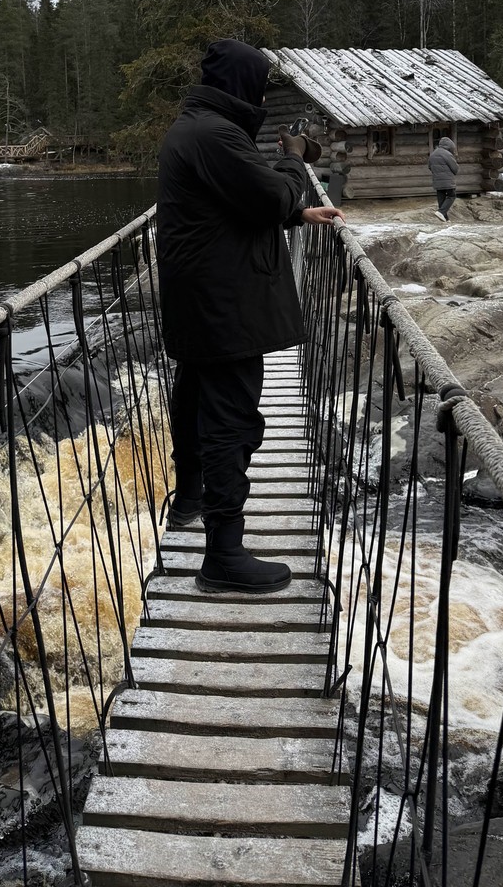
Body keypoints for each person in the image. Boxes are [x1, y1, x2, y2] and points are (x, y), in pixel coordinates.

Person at [157, 39, 344, 594]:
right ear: (242, 84)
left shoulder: (195, 129)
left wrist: (298, 212)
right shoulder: (215, 135)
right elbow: (265, 195)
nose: (262, 93)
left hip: (201, 297)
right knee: (230, 421)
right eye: (260, 84)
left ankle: (189, 497)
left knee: (194, 400)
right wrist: (293, 159)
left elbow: (233, 205)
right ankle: (223, 556)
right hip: (225, 305)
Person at [428, 134, 459, 221]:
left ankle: (445, 219)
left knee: (441, 198)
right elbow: (455, 168)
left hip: (437, 181)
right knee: (451, 196)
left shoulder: (433, 154)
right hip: (448, 181)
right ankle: (441, 212)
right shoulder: (448, 154)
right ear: (450, 146)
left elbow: (429, 167)